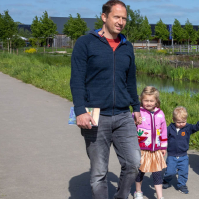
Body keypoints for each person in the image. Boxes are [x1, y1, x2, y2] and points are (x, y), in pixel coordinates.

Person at [69, 0, 141, 198]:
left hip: (123, 115)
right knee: (99, 172)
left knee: (133, 163)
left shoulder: (127, 46)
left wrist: (136, 107)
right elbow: (76, 80)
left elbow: (130, 80)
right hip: (95, 116)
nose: (121, 22)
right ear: (104, 17)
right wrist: (80, 110)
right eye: (116, 17)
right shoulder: (86, 43)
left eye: (124, 18)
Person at [162, 106, 199, 194]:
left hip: (183, 155)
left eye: (183, 121)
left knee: (183, 171)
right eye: (179, 122)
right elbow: (163, 137)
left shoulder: (188, 128)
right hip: (172, 155)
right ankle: (166, 180)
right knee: (170, 171)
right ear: (173, 120)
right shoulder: (169, 129)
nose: (181, 124)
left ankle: (181, 184)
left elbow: (197, 127)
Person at [134, 86, 168, 199]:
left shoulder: (160, 113)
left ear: (156, 101)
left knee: (157, 174)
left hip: (156, 150)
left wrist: (163, 147)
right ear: (141, 100)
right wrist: (134, 121)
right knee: (140, 172)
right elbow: (130, 128)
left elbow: (164, 131)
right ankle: (138, 192)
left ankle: (160, 196)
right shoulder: (138, 113)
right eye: (146, 100)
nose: (148, 103)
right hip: (142, 149)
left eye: (151, 101)